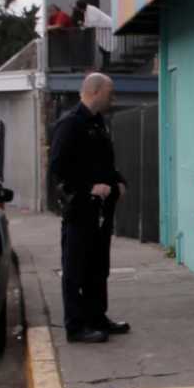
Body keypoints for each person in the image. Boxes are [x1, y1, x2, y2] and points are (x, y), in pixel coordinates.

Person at [47, 72, 130, 345]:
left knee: (98, 267)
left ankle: (97, 317)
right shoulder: (70, 124)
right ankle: (76, 325)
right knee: (76, 270)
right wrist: (88, 188)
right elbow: (58, 170)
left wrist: (117, 181)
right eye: (110, 92)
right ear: (94, 91)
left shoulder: (98, 124)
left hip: (101, 212)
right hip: (80, 211)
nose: (113, 98)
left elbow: (105, 163)